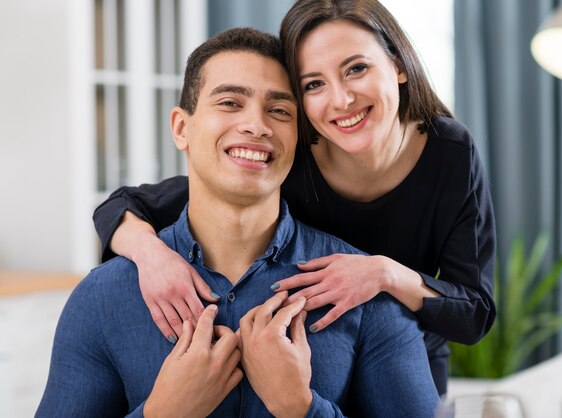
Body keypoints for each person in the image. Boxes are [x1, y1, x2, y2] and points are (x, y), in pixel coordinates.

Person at [93, 0, 496, 396]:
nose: (341, 100)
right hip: (308, 359)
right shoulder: (288, 157)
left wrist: (384, 274)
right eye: (313, 84)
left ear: (399, 65)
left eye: (356, 68)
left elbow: (474, 312)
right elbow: (125, 205)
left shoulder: (450, 153)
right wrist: (153, 257)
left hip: (405, 363)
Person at [37, 27, 439, 417]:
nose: (257, 125)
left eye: (279, 110)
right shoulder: (100, 298)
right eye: (230, 103)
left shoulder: (364, 293)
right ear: (181, 128)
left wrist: (301, 408)